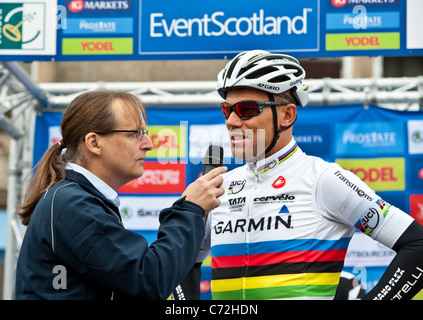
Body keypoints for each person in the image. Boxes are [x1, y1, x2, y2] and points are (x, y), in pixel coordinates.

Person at [193, 50, 423, 300]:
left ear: (287, 115)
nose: (232, 121)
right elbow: (181, 263)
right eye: (227, 109)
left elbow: (418, 245)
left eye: (246, 109)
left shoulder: (323, 179)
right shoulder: (218, 188)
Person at [14, 90, 226, 300]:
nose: (149, 145)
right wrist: (190, 209)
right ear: (94, 143)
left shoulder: (73, 198)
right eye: (135, 134)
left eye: (146, 133)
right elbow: (149, 279)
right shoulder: (70, 202)